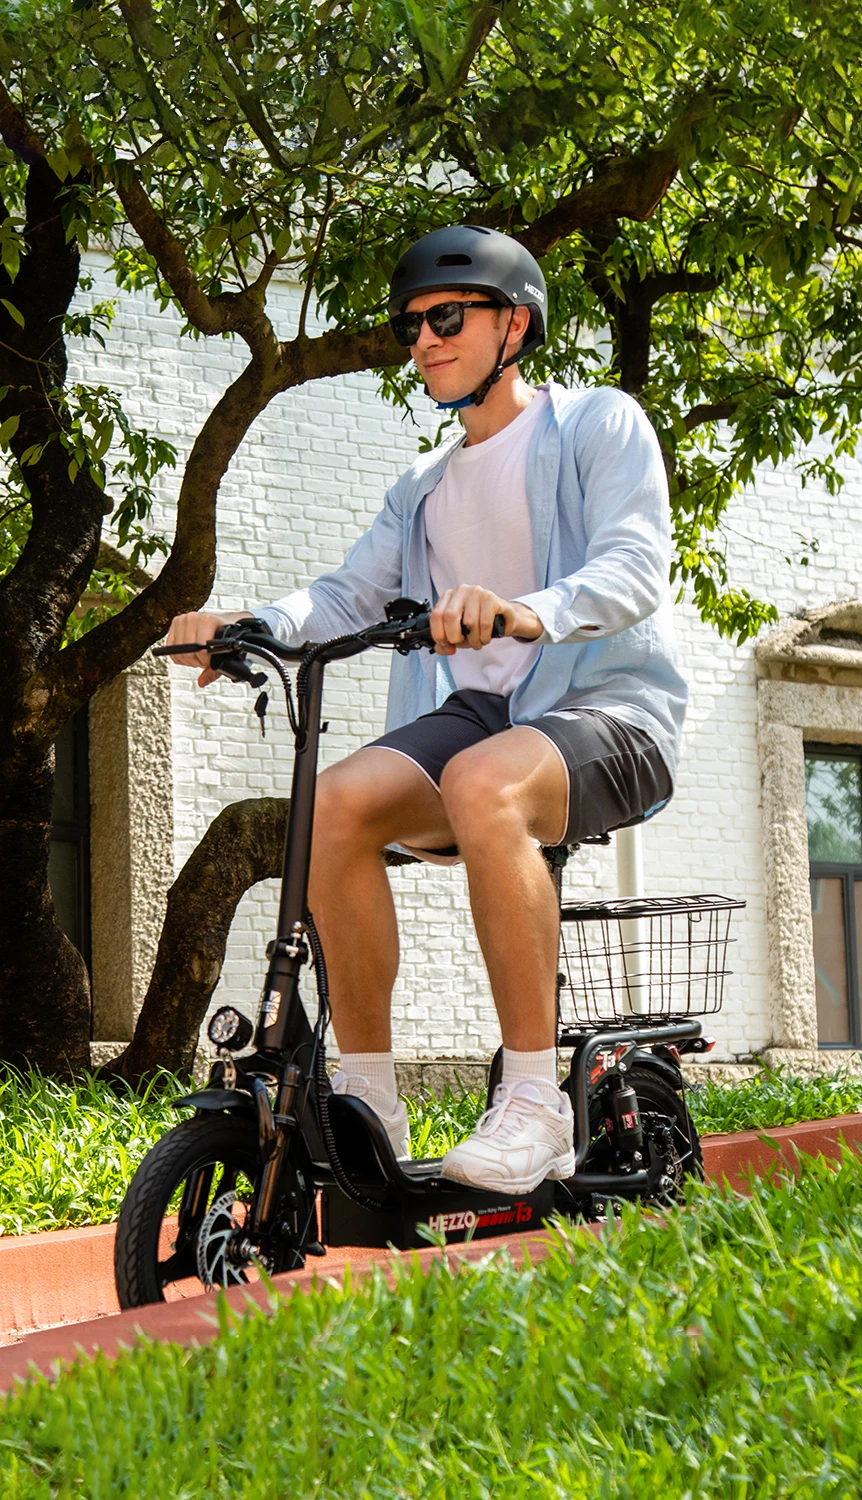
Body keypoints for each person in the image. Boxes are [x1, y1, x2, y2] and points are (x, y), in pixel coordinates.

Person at [164, 224, 686, 1191]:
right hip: (489, 724)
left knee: (482, 780)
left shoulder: (597, 424)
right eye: (411, 326)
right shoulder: (424, 487)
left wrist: (530, 610)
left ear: (515, 324)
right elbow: (348, 595)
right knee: (328, 809)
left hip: (614, 712)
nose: (425, 341)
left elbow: (635, 565)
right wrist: (254, 623)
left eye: (448, 317)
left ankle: (533, 1105)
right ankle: (370, 1098)